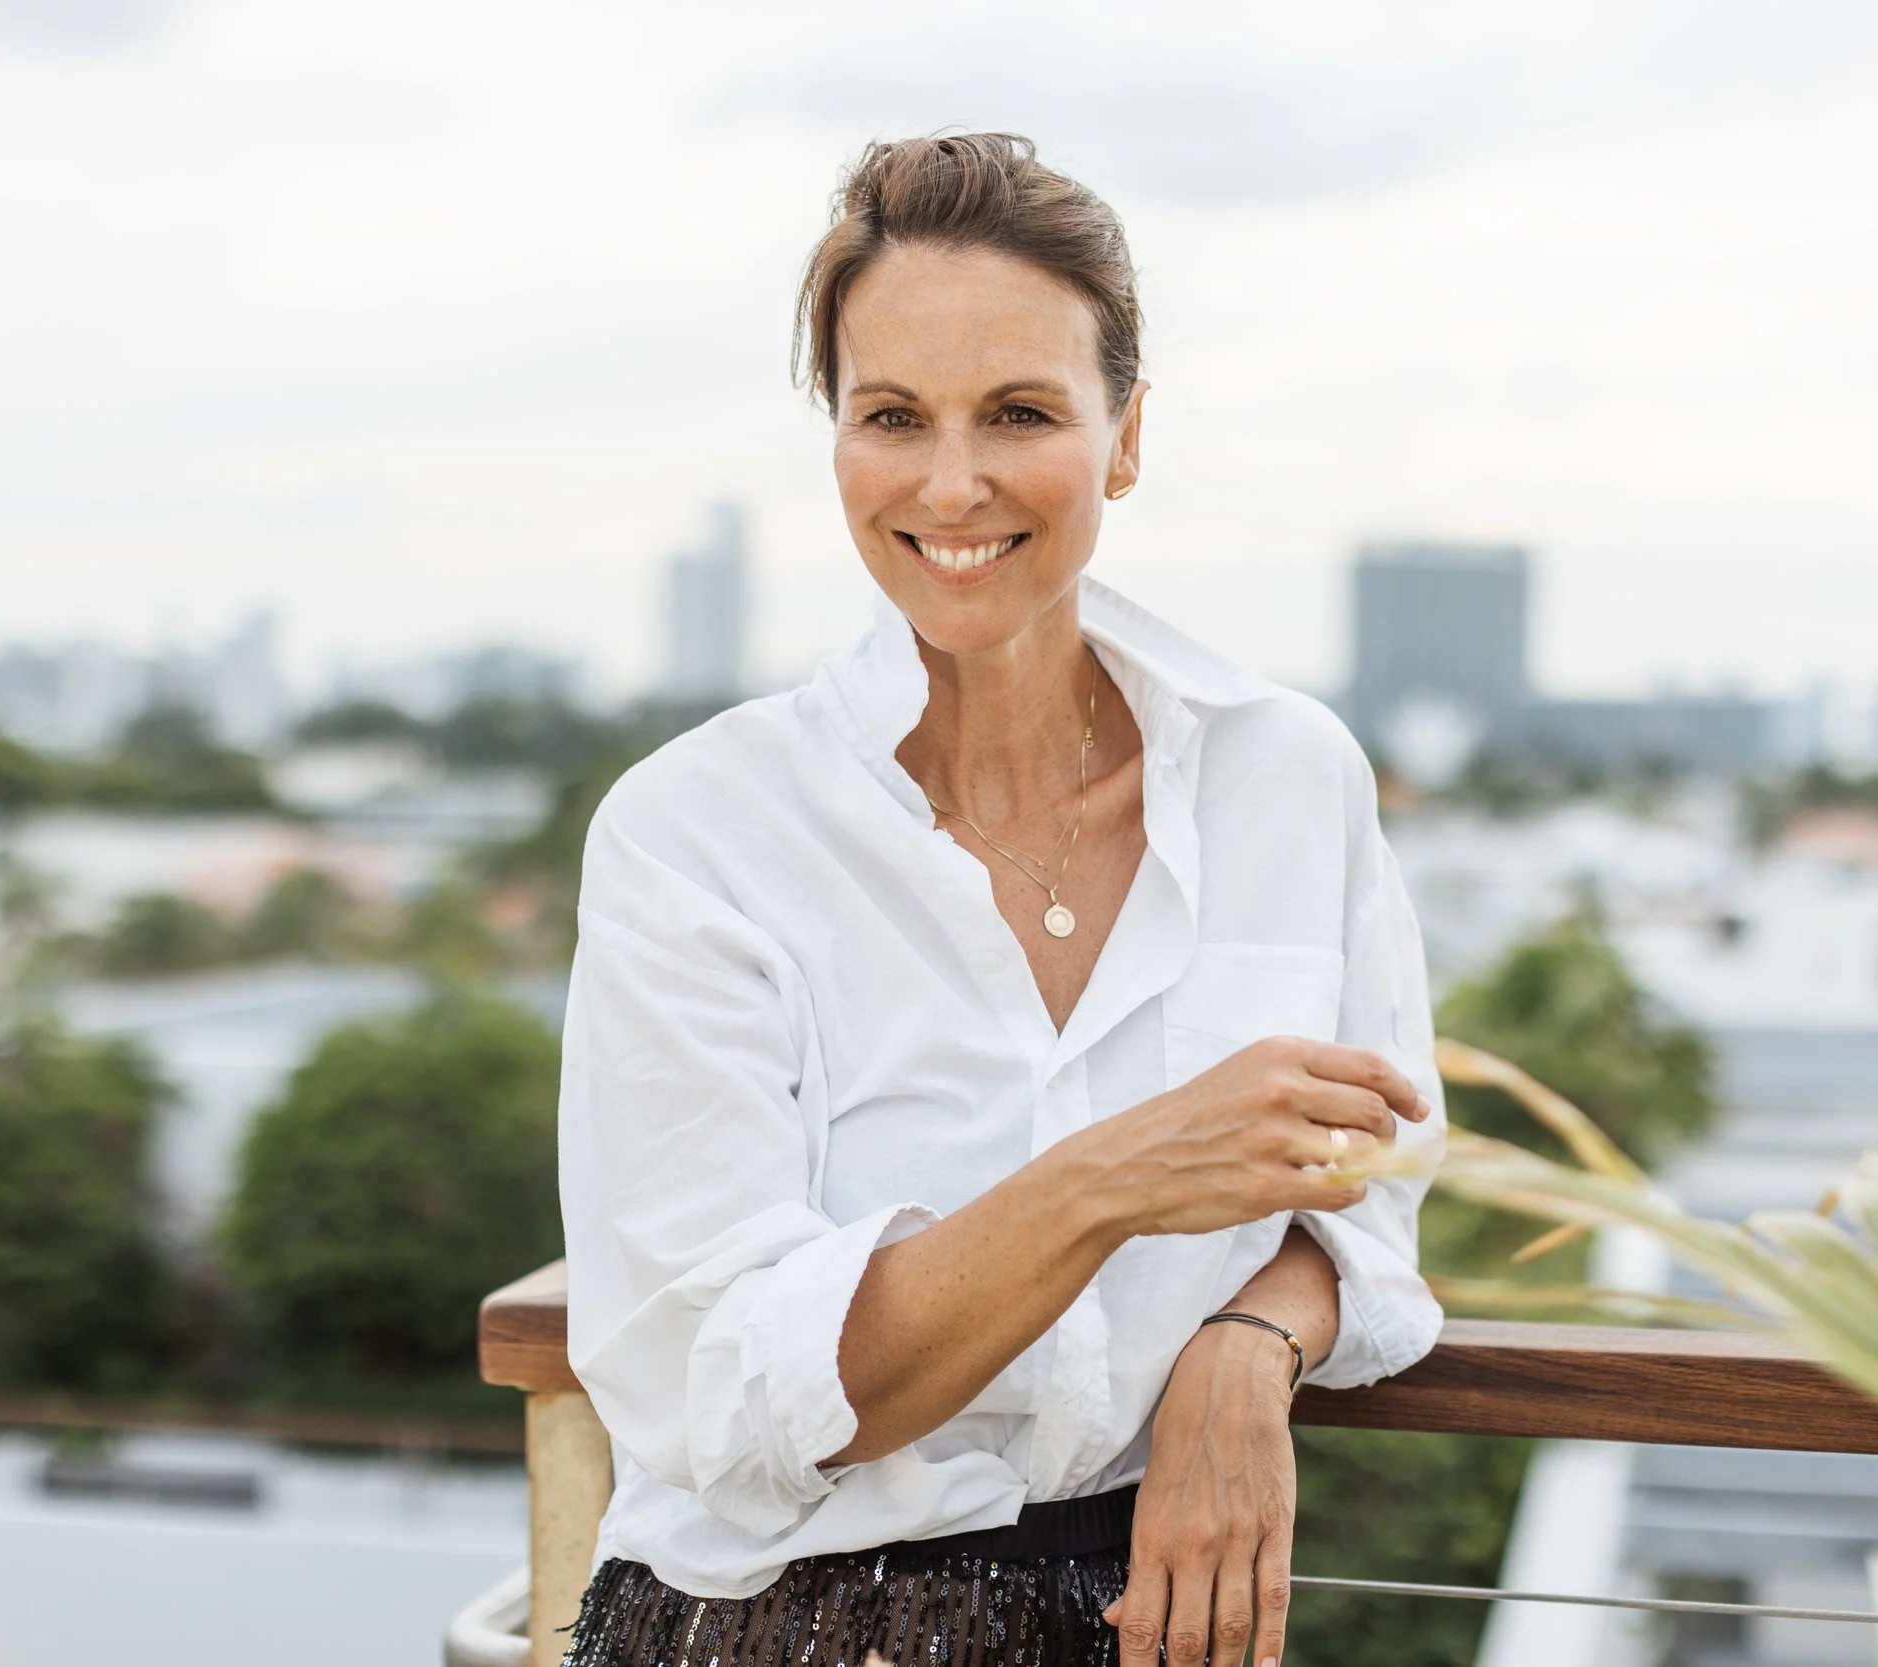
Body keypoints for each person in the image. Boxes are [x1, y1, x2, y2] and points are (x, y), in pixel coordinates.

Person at [556, 132, 1445, 1667]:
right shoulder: (692, 832)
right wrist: (1112, 1181)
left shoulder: (1289, 777)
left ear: (1127, 432)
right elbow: (729, 1387)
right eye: (892, 414)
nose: (950, 482)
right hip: (767, 1628)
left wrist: (1246, 1343)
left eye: (1021, 412)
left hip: (1155, 1610)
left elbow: (1374, 1186)